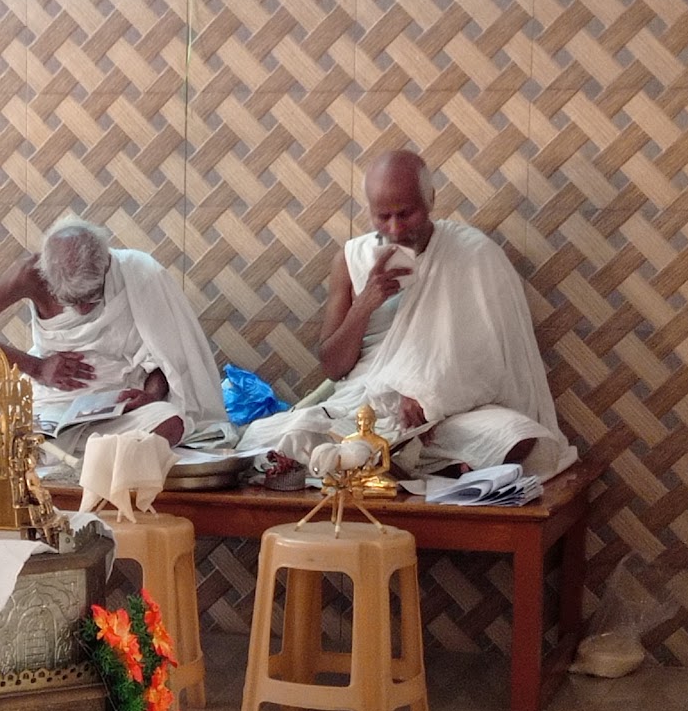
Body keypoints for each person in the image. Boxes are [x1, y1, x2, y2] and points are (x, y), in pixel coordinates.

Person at [238, 150, 576, 478]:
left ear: (430, 198)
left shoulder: (474, 254)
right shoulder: (352, 258)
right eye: (383, 216)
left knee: (516, 435)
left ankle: (391, 462)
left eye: (407, 213)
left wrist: (430, 397)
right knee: (271, 436)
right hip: (366, 408)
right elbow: (334, 366)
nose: (396, 229)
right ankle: (412, 462)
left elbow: (489, 359)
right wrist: (366, 302)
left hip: (449, 413)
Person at [0, 216, 230, 450]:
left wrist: (151, 397)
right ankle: (84, 455)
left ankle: (77, 457)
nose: (82, 310)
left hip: (120, 407)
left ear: (106, 263)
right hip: (53, 405)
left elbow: (164, 356)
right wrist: (37, 367)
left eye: (91, 298)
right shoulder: (29, 275)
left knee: (170, 421)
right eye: (70, 300)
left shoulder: (140, 273)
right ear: (46, 275)